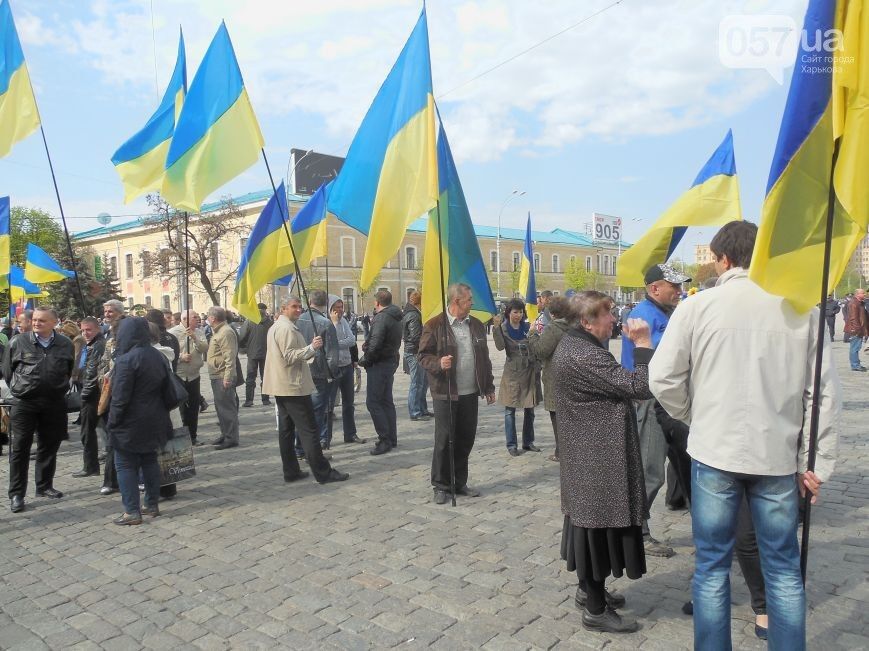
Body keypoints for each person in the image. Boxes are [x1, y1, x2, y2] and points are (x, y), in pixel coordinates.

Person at [648, 220, 841, 649]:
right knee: (784, 569)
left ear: (724, 258)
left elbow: (661, 378)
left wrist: (695, 414)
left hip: (715, 452)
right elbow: (824, 395)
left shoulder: (699, 307)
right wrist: (816, 463)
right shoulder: (801, 308)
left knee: (713, 567)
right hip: (776, 455)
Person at [554, 291, 653, 634]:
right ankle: (595, 609)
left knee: (588, 527)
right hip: (595, 458)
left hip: (590, 454)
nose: (614, 320)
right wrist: (642, 344)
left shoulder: (577, 345)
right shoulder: (584, 355)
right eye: (607, 314)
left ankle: (588, 592)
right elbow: (639, 386)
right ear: (586, 321)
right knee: (594, 532)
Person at [620, 262, 692, 559]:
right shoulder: (643, 316)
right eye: (673, 286)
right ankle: (635, 531)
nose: (679, 291)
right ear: (654, 288)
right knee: (650, 472)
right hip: (651, 400)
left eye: (680, 286)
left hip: (673, 400)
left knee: (689, 467)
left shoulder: (666, 313)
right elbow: (665, 356)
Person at [418, 283, 495, 505]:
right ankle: (440, 485)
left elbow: (484, 359)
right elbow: (422, 356)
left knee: (465, 439)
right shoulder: (434, 325)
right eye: (469, 299)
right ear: (456, 302)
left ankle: (459, 482)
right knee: (445, 439)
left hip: (470, 392)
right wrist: (438, 362)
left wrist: (488, 387)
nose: (472, 302)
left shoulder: (477, 326)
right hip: (446, 392)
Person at [262, 296, 349, 485]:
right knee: (309, 430)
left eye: (300, 307)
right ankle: (323, 472)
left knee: (286, 430)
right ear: (284, 308)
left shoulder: (279, 326)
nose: (298, 310)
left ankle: (291, 470)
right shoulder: (285, 328)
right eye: (294, 307)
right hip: (292, 386)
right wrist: (312, 347)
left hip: (282, 384)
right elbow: (289, 356)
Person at [4, 307, 75, 513]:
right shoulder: (17, 342)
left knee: (49, 445)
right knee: (20, 448)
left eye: (42, 321)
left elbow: (69, 369)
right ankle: (17, 494)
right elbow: (8, 371)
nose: (36, 323)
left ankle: (44, 485)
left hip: (53, 401)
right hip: (25, 402)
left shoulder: (65, 344)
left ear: (55, 322)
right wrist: (22, 388)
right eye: (35, 320)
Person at [106, 317, 174, 525]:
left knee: (125, 464)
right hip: (155, 416)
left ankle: (132, 511)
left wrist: (113, 422)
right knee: (149, 460)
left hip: (131, 421)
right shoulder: (157, 355)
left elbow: (120, 397)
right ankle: (151, 504)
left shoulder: (126, 361)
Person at [492, 299, 542, 456]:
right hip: (513, 373)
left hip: (529, 371)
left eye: (520, 312)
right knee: (510, 410)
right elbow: (500, 346)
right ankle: (511, 444)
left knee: (530, 410)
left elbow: (536, 346)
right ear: (508, 312)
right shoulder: (504, 328)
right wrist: (495, 327)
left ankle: (528, 442)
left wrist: (535, 332)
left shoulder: (527, 327)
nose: (518, 315)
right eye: (515, 312)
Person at [527, 296, 571, 462]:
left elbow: (540, 350)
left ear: (552, 313)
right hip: (570, 376)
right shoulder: (574, 326)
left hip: (555, 377)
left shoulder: (554, 328)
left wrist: (532, 334)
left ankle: (561, 452)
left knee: (557, 416)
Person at [359, 290, 403, 456]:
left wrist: (366, 359)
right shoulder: (395, 315)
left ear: (377, 303)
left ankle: (384, 439)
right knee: (386, 401)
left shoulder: (382, 317)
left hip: (380, 363)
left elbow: (376, 342)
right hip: (389, 360)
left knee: (373, 402)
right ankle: (391, 437)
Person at [296, 290, 339, 452]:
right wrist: (331, 375)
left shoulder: (297, 320)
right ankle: (312, 448)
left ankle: (300, 447)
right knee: (317, 412)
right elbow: (332, 355)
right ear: (326, 303)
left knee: (301, 412)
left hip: (300, 371)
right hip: (318, 373)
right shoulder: (326, 323)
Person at [98, 300, 127, 496]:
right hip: (111, 392)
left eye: (111, 311)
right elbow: (104, 363)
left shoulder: (125, 332)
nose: (107, 314)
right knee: (111, 438)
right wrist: (103, 378)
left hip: (126, 393)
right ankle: (111, 480)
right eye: (106, 311)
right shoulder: (107, 337)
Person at [327, 295, 364, 445]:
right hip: (333, 367)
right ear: (330, 308)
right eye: (337, 307)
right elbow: (330, 343)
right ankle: (326, 438)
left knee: (349, 403)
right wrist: (335, 324)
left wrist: (339, 343)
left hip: (347, 365)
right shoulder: (328, 322)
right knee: (329, 405)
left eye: (341, 307)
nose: (340, 310)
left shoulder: (344, 321)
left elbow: (351, 340)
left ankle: (350, 434)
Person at [169, 310, 209, 446]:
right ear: (185, 319)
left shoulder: (199, 331)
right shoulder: (173, 333)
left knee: (193, 407)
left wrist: (194, 338)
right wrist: (181, 357)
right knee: (180, 409)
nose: (197, 319)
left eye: (198, 316)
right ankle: (182, 438)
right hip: (179, 375)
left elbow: (204, 348)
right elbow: (170, 353)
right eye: (194, 317)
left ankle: (193, 436)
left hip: (194, 375)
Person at [74, 317, 105, 478]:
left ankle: (90, 466)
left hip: (92, 395)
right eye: (83, 330)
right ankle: (91, 465)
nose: (85, 333)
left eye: (89, 330)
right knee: (90, 431)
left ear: (97, 329)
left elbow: (92, 374)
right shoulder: (90, 344)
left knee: (87, 431)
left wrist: (84, 395)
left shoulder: (98, 345)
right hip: (91, 392)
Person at [206, 306, 240, 449]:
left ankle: (231, 437)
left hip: (222, 375)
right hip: (217, 374)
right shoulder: (219, 331)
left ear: (213, 318)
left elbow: (229, 356)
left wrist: (227, 377)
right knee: (221, 408)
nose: (207, 319)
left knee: (227, 408)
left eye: (208, 317)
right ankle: (225, 433)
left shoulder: (225, 332)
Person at [402, 290, 431, 421]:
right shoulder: (413, 315)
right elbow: (415, 337)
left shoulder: (412, 313)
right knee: (417, 383)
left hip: (416, 351)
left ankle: (422, 409)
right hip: (415, 352)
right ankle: (415, 411)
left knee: (423, 382)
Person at [238, 303, 273, 407]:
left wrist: (243, 347)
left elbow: (242, 336)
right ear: (265, 311)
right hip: (266, 354)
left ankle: (249, 400)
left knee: (250, 377)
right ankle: (265, 400)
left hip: (252, 353)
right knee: (265, 377)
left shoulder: (249, 322)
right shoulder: (270, 323)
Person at [843, 288, 867, 371]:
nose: (865, 294)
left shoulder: (860, 303)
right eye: (863, 293)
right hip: (855, 330)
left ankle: (856, 364)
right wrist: (857, 330)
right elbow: (854, 318)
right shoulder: (854, 303)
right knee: (855, 347)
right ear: (857, 294)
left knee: (856, 347)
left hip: (859, 329)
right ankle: (855, 365)